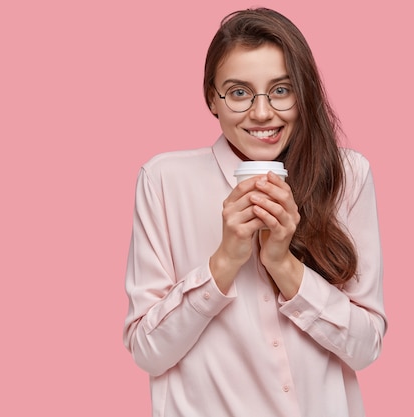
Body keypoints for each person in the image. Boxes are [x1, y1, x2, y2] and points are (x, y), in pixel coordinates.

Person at [122, 7, 386, 417]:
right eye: (240, 92)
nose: (262, 113)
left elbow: (366, 348)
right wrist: (225, 261)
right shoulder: (164, 180)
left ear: (303, 92)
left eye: (281, 90)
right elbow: (148, 353)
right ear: (213, 97)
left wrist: (283, 266)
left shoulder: (347, 176)